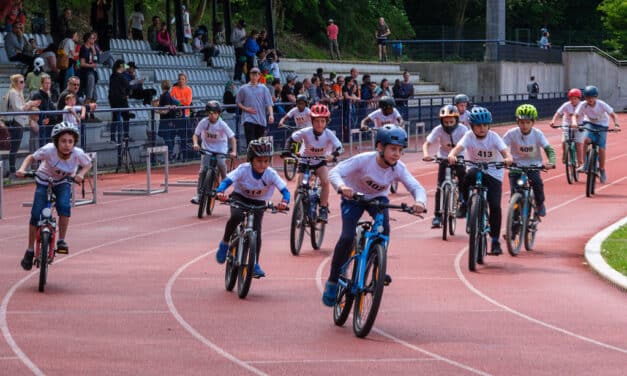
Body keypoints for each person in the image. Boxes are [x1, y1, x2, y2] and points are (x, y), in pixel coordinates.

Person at [322, 125, 427, 306]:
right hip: (353, 197)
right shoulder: (364, 160)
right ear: (380, 147)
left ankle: (378, 265)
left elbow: (416, 186)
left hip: (378, 199)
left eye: (400, 150)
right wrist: (342, 187)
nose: (397, 154)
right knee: (347, 237)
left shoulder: (398, 168)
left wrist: (420, 202)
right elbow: (334, 172)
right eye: (393, 149)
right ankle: (332, 280)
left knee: (384, 230)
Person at [17, 122, 92, 270]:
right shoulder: (48, 150)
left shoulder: (77, 153)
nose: (67, 145)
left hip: (63, 182)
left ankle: (61, 240)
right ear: (56, 141)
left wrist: (80, 175)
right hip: (44, 180)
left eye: (70, 141)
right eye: (63, 141)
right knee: (35, 213)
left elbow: (88, 164)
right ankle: (30, 250)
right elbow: (31, 157)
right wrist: (22, 169)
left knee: (64, 206)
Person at [214, 139, 290, 278]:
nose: (263, 164)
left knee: (257, 232)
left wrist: (284, 202)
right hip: (240, 198)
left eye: (266, 161)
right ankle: (225, 243)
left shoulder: (271, 174)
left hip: (259, 203)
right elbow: (227, 181)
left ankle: (254, 263)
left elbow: (285, 190)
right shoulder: (243, 169)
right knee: (236, 216)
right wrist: (220, 191)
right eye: (259, 161)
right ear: (251, 159)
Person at [447, 107, 513, 256]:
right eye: (478, 126)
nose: (482, 129)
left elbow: (505, 151)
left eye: (485, 125)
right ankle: (463, 203)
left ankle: (495, 241)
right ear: (472, 126)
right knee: (466, 176)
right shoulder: (469, 136)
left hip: (493, 172)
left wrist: (508, 158)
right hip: (475, 168)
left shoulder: (494, 137)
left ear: (489, 125)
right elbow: (458, 148)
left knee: (495, 205)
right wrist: (452, 155)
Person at [283, 104, 343, 223]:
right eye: (316, 121)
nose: (319, 124)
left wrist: (333, 155)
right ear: (311, 121)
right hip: (305, 161)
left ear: (326, 122)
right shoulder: (306, 131)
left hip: (320, 161)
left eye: (322, 121)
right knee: (298, 187)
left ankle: (323, 209)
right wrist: (286, 150)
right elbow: (291, 139)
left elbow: (340, 148)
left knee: (325, 182)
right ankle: (298, 211)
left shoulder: (329, 134)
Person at [503, 104, 555, 217]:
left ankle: (540, 204)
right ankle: (513, 223)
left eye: (528, 122)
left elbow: (549, 149)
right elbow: (501, 147)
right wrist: (504, 159)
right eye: (522, 122)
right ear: (517, 122)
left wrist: (551, 161)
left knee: (537, 183)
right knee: (514, 192)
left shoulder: (537, 134)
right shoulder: (511, 133)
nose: (524, 125)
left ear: (533, 122)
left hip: (533, 166)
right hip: (516, 166)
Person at [422, 104, 469, 227]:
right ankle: (437, 216)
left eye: (451, 121)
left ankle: (463, 201)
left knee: (463, 178)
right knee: (440, 186)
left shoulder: (463, 130)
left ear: (457, 120)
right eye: (445, 121)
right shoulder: (438, 129)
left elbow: (470, 143)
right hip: (443, 157)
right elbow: (427, 143)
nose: (448, 124)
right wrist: (426, 154)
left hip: (459, 156)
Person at [190, 101, 237, 204]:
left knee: (221, 165)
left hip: (220, 149)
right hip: (207, 149)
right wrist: (195, 144)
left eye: (215, 113)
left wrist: (233, 151)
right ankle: (198, 194)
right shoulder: (204, 122)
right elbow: (195, 134)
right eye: (210, 113)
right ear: (207, 113)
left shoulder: (222, 124)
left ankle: (223, 188)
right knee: (202, 171)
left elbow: (232, 138)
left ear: (219, 113)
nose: (212, 115)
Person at [572, 85, 620, 183]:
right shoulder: (583, 104)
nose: (590, 99)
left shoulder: (601, 104)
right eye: (587, 97)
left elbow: (613, 115)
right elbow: (575, 115)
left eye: (592, 97)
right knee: (586, 140)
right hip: (589, 123)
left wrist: (616, 124)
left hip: (602, 125)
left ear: (596, 97)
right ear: (585, 97)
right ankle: (585, 164)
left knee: (602, 148)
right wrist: (574, 122)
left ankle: (602, 169)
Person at [3, 74, 41, 177]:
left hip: (18, 122)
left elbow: (20, 107)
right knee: (14, 148)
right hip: (16, 122)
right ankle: (12, 171)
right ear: (15, 83)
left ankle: (12, 170)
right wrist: (30, 104)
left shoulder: (17, 92)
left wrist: (30, 103)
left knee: (15, 148)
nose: (23, 84)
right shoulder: (14, 92)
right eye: (21, 82)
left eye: (23, 81)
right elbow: (18, 109)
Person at [236, 67, 274, 145]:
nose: (255, 76)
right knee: (251, 143)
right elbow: (238, 102)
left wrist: (271, 115)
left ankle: (257, 157)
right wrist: (246, 109)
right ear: (250, 75)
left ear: (259, 76)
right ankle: (250, 157)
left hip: (261, 119)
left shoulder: (264, 88)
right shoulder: (243, 88)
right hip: (248, 119)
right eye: (253, 74)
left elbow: (269, 103)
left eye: (257, 74)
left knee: (260, 144)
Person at [549, 88, 585, 168]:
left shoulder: (582, 105)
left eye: (575, 98)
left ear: (579, 98)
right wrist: (553, 121)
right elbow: (558, 113)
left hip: (579, 124)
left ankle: (580, 162)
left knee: (579, 144)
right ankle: (564, 155)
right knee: (564, 141)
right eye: (571, 99)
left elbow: (588, 115)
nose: (573, 100)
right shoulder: (566, 105)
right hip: (567, 124)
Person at [30, 75, 57, 147]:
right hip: (40, 125)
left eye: (49, 83)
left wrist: (49, 118)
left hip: (48, 124)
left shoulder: (48, 95)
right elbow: (35, 111)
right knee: (40, 147)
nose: (48, 85)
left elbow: (53, 109)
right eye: (46, 83)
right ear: (41, 84)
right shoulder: (37, 95)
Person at [108, 59, 131, 143]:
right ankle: (125, 136)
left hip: (113, 100)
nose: (125, 68)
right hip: (121, 100)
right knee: (125, 117)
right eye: (124, 66)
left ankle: (113, 138)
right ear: (121, 66)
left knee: (115, 118)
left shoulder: (112, 75)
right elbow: (129, 85)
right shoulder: (121, 76)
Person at [156, 79, 181, 156]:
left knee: (167, 137)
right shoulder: (165, 95)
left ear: (162, 86)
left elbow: (166, 110)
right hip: (165, 120)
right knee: (166, 137)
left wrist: (156, 111)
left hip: (166, 120)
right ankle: (170, 154)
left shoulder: (166, 96)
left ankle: (170, 154)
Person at [78, 32, 98, 111]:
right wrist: (91, 65)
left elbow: (95, 60)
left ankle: (91, 113)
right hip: (86, 73)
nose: (94, 40)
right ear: (88, 39)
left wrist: (93, 50)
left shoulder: (91, 48)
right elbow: (82, 63)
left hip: (92, 72)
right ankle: (84, 112)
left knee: (94, 97)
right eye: (92, 38)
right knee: (89, 95)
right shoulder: (83, 48)